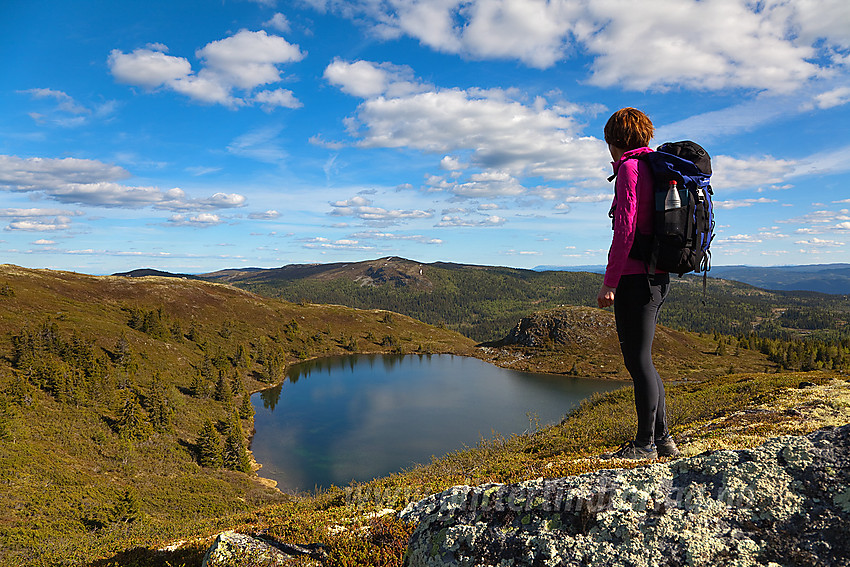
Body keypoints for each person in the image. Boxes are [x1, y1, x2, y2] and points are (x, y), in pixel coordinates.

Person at [597, 107, 679, 460]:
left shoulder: (631, 169)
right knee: (643, 360)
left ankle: (644, 445)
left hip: (635, 278)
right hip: (657, 276)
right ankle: (663, 440)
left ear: (615, 140)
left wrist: (609, 281)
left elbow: (626, 230)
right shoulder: (653, 167)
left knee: (637, 361)